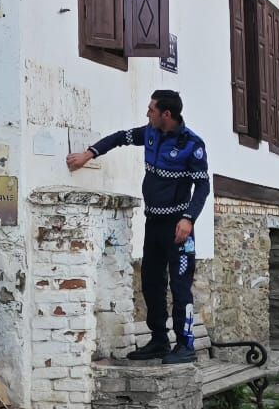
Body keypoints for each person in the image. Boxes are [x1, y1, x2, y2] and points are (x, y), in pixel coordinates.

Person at [66, 89, 210, 363]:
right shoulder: (150, 133)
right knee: (151, 283)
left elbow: (203, 187)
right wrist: (89, 154)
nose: (147, 113)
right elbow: (120, 138)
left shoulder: (192, 145)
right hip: (153, 223)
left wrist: (189, 219)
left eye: (151, 109)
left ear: (166, 114)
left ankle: (186, 345)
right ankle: (159, 341)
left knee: (180, 287)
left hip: (178, 228)